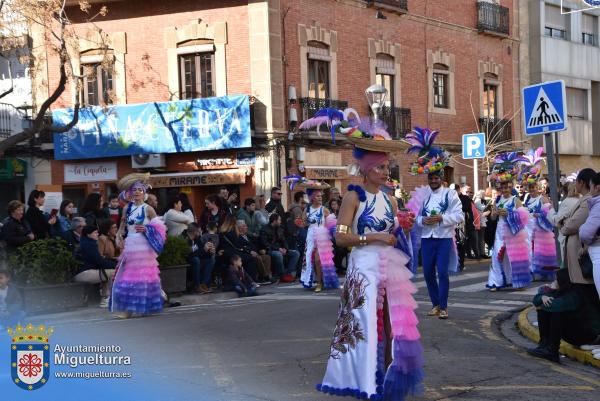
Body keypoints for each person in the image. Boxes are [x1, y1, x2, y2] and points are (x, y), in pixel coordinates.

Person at [314, 115, 422, 400]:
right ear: (367, 168)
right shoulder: (353, 197)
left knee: (392, 325)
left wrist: (404, 226)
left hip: (389, 267)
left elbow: (394, 232)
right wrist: (372, 237)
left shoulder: (390, 200)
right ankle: (363, 379)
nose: (387, 172)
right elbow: (341, 237)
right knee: (363, 324)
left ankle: (387, 376)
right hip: (363, 268)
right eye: (382, 167)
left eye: (388, 166)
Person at [409, 127, 463, 319]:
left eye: (436, 178)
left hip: (444, 238)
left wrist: (441, 218)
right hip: (427, 238)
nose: (433, 180)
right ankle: (435, 304)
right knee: (428, 274)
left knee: (442, 271)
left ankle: (444, 307)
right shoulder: (423, 195)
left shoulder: (450, 194)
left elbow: (459, 216)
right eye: (431, 178)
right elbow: (414, 218)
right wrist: (423, 220)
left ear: (441, 178)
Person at [111, 173, 166, 318]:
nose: (136, 193)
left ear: (144, 193)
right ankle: (127, 309)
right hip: (130, 245)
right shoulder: (126, 209)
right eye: (134, 190)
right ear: (130, 193)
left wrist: (147, 229)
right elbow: (122, 226)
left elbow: (160, 229)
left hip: (144, 247)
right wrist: (118, 237)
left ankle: (144, 307)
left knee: (143, 277)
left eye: (140, 190)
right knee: (128, 276)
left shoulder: (148, 209)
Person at [527, 269, 600, 363]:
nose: (554, 282)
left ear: (563, 281)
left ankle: (552, 351)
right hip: (577, 333)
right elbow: (536, 300)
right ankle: (544, 346)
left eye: (556, 280)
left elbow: (553, 306)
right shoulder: (564, 290)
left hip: (589, 336)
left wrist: (549, 291)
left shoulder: (575, 294)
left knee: (556, 312)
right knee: (544, 309)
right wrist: (542, 297)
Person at [486, 152, 532, 291]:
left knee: (514, 256)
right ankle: (496, 282)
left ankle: (519, 282)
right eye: (502, 187)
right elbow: (493, 218)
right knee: (497, 256)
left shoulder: (515, 200)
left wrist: (509, 214)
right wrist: (495, 213)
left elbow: (524, 218)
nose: (505, 189)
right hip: (500, 231)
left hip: (513, 231)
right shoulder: (498, 200)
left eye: (507, 187)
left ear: (511, 187)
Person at [292, 181, 338, 292]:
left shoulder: (324, 210)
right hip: (310, 235)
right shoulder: (307, 210)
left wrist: (331, 232)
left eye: (320, 196)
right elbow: (303, 223)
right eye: (317, 196)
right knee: (308, 259)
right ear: (312, 198)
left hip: (322, 236)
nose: (320, 198)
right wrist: (299, 222)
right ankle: (313, 280)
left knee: (318, 260)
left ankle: (319, 283)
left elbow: (332, 226)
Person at [520, 148, 558, 279]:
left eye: (533, 187)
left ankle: (546, 272)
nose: (531, 190)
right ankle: (534, 271)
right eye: (529, 187)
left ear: (537, 187)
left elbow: (550, 213)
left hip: (541, 229)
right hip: (530, 229)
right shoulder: (527, 198)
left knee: (542, 251)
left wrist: (539, 215)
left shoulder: (543, 198)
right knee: (532, 250)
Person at [558, 169, 596, 288]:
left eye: (576, 181)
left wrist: (564, 225)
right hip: (576, 246)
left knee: (583, 286)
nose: (575, 184)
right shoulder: (583, 199)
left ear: (582, 183)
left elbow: (573, 224)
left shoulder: (587, 201)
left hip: (580, 248)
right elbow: (567, 219)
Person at [75, 226, 117, 308]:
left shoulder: (86, 243)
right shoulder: (89, 245)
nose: (98, 234)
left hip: (85, 272)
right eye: (95, 232)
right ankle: (105, 299)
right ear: (88, 234)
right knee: (114, 272)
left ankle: (107, 297)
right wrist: (116, 265)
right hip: (84, 273)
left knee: (107, 271)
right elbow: (99, 262)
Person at [260, 214, 299, 282]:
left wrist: (285, 249)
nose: (281, 221)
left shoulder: (279, 228)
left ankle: (287, 273)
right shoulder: (264, 229)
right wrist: (278, 249)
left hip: (280, 249)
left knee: (296, 253)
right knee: (278, 254)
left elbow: (284, 240)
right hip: (269, 249)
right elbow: (265, 243)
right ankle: (282, 275)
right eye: (279, 220)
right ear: (274, 221)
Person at [548, 182, 579, 266]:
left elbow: (556, 221)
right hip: (578, 237)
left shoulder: (567, 202)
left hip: (567, 238)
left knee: (569, 265)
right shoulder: (580, 200)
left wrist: (550, 209)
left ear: (564, 192)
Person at [182, 223, 214, 294]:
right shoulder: (183, 238)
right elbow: (188, 255)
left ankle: (203, 284)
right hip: (187, 263)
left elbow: (201, 253)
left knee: (209, 260)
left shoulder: (197, 239)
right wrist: (203, 250)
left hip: (197, 261)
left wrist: (209, 252)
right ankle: (197, 286)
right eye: (199, 232)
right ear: (195, 232)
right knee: (196, 259)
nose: (200, 233)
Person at [459, 184, 478, 260]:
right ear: (461, 191)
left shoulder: (471, 200)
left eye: (470, 192)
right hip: (463, 223)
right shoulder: (460, 200)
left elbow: (473, 212)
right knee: (465, 240)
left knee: (472, 239)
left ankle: (476, 255)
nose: (469, 193)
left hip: (471, 223)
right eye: (467, 192)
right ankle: (467, 254)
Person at [474, 190, 490, 259]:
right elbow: (482, 208)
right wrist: (489, 205)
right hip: (480, 220)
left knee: (481, 237)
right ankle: (481, 252)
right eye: (483, 194)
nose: (484, 195)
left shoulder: (479, 200)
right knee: (481, 237)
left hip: (481, 220)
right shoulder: (478, 200)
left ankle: (482, 252)